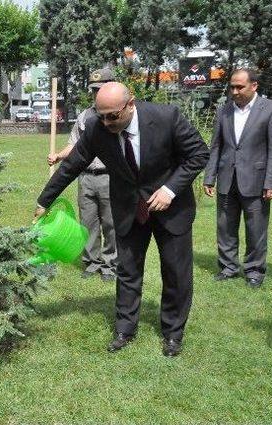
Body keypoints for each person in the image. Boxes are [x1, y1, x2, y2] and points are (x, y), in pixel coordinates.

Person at [35, 82, 209, 357]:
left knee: (176, 272)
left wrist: (170, 189)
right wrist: (44, 200)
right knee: (127, 270)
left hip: (171, 208)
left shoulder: (167, 117)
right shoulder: (97, 127)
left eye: (112, 116)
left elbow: (199, 153)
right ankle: (125, 329)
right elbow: (72, 164)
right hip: (129, 208)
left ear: (131, 104)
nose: (106, 122)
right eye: (101, 115)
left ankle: (173, 333)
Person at [203, 69, 272, 289]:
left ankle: (254, 270)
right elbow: (216, 145)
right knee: (225, 227)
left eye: (239, 87)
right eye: (232, 87)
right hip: (227, 178)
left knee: (256, 229)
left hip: (256, 179)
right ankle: (228, 267)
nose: (234, 91)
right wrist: (209, 177)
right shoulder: (224, 110)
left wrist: (271, 182)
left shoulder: (270, 109)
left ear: (254, 86)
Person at [48, 68, 117, 281]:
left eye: (100, 89)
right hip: (85, 177)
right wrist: (59, 155)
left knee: (111, 223)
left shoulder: (116, 115)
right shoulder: (85, 115)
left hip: (109, 177)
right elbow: (74, 145)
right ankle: (91, 262)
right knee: (88, 222)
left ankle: (110, 265)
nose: (96, 94)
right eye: (94, 90)